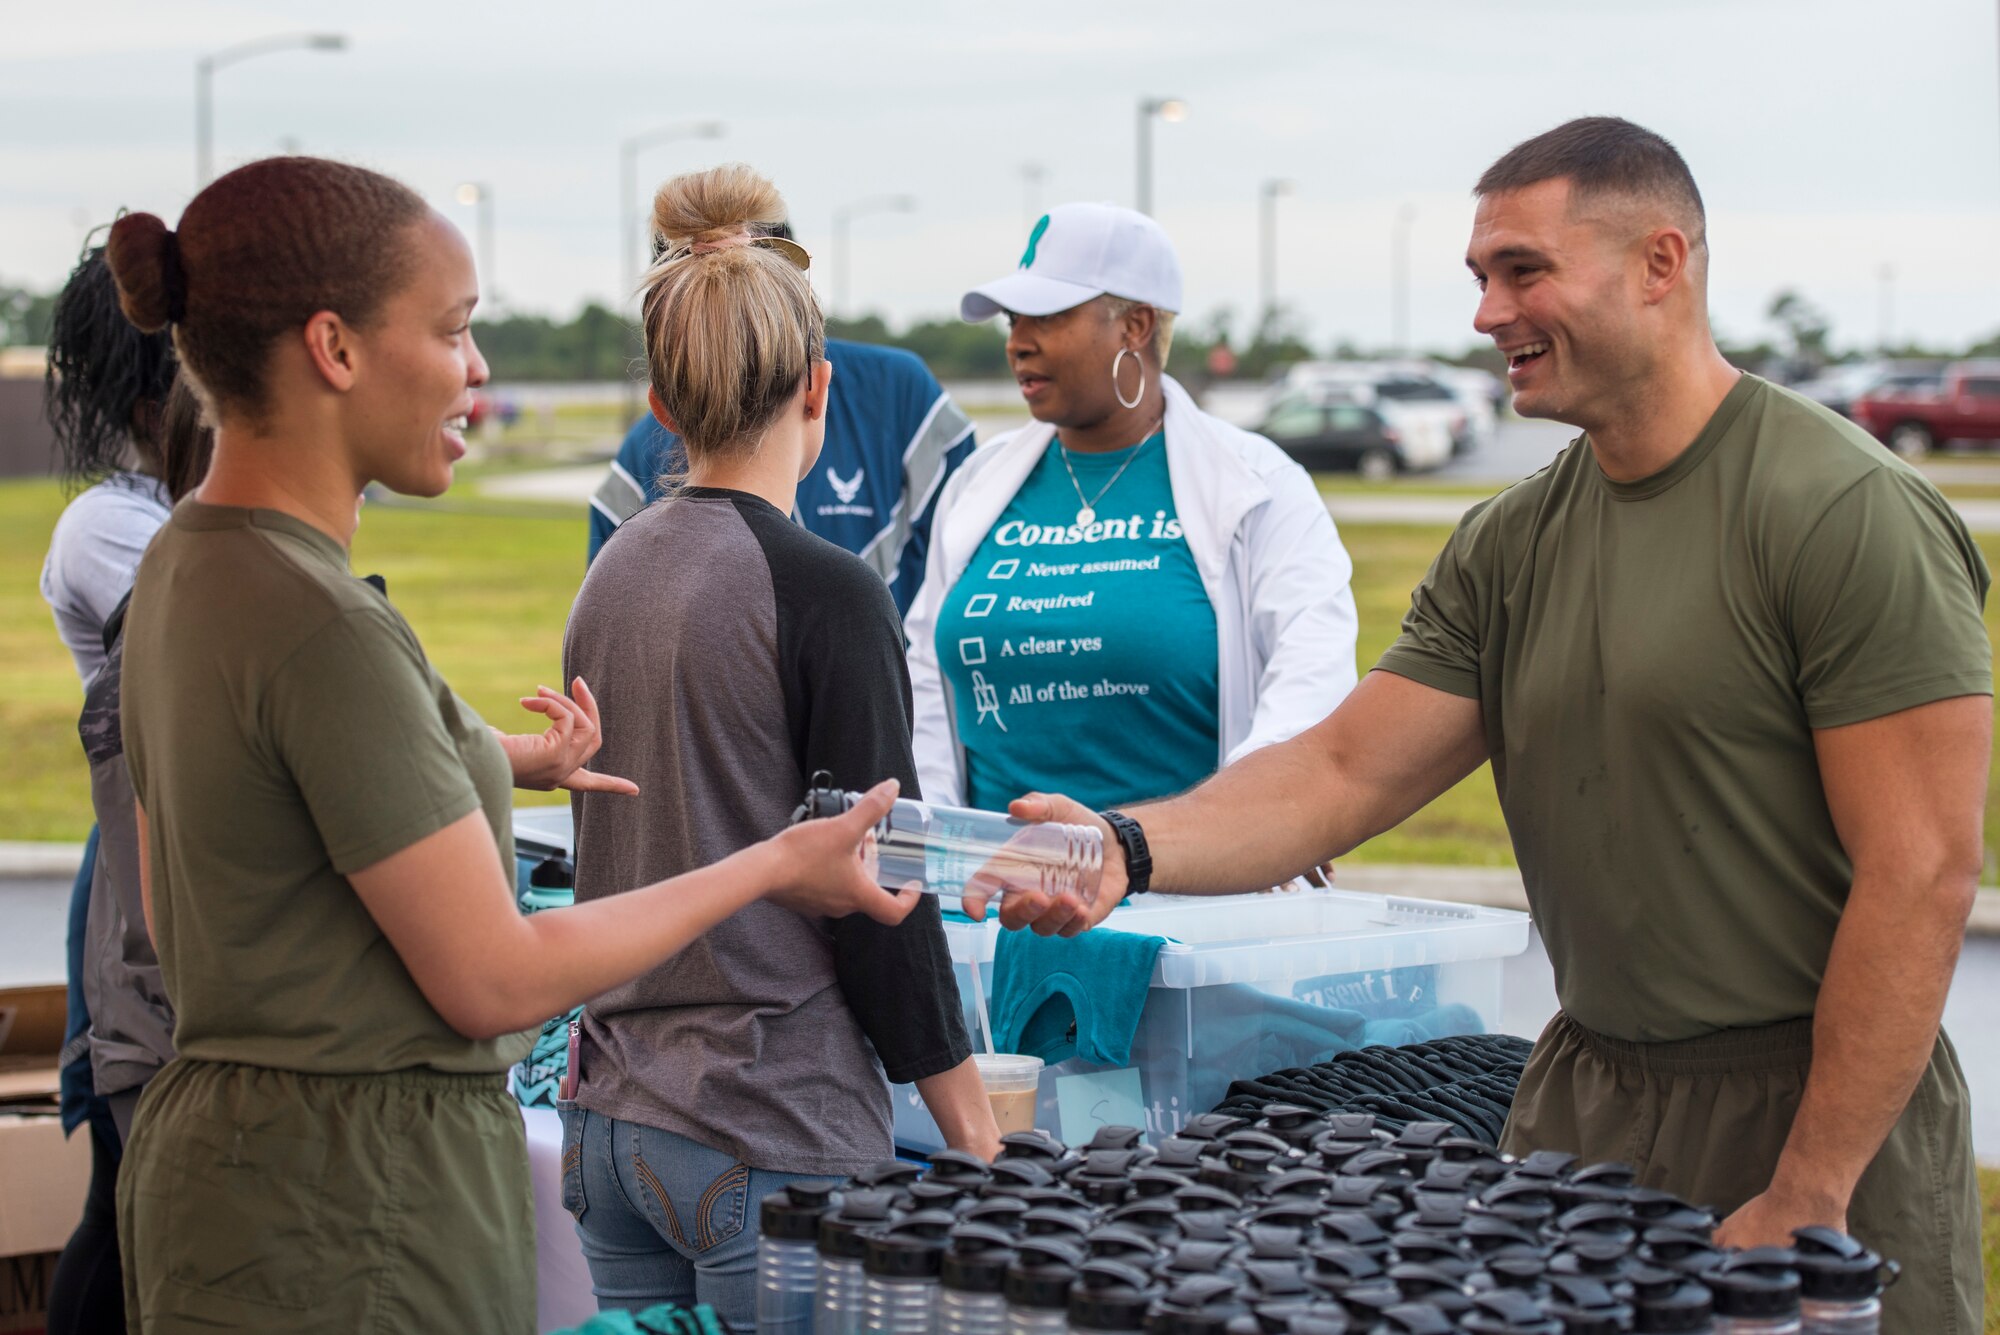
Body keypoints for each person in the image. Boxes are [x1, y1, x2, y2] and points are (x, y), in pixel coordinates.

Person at [970, 119, 1988, 1333]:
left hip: (1811, 1108)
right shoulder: (1509, 542)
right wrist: (1122, 849)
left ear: (1659, 264)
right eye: (1477, 277)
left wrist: (1810, 1187)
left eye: (1522, 270)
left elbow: (1920, 872)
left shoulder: (1842, 513)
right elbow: (1342, 772)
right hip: (1588, 1099)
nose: (1486, 313)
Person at [104, 155, 917, 1335]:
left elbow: (258, 801)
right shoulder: (323, 629)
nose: (477, 373)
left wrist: (489, 759)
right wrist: (774, 864)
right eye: (452, 332)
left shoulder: (189, 568)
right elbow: (496, 981)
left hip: (230, 1188)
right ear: (334, 349)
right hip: (356, 1216)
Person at [562, 164, 994, 1330]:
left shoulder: (611, 572)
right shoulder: (826, 591)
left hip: (611, 1122)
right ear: (819, 387)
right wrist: (975, 1131)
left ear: (660, 404)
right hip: (763, 1131)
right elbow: (875, 893)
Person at [904, 202, 1358, 815]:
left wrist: (1249, 830)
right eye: (1014, 320)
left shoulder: (1261, 485)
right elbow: (927, 685)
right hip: (989, 895)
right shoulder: (977, 484)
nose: (1018, 344)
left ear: (1136, 326)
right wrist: (942, 857)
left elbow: (1311, 687)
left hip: (1189, 897)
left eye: (1047, 316)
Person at [37, 240, 181, 1335]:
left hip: (191, 863)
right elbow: (212, 652)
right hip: (135, 880)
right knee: (124, 1207)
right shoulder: (109, 525)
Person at [586, 219, 975, 619]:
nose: (733, 328)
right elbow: (614, 634)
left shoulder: (901, 396)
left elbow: (968, 574)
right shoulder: (636, 462)